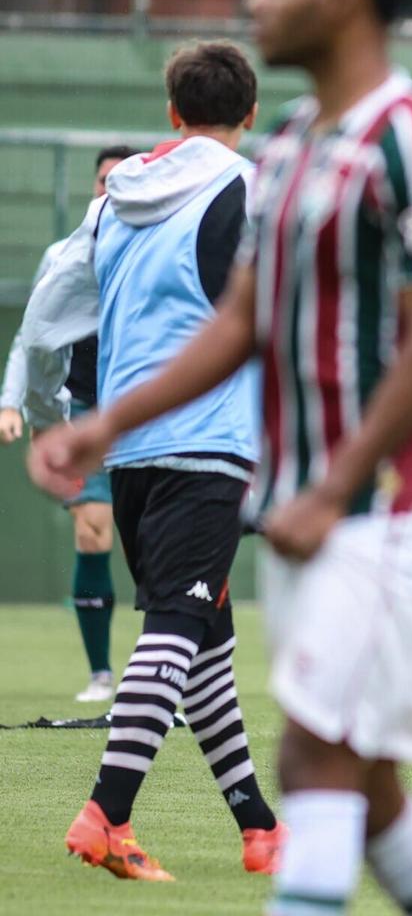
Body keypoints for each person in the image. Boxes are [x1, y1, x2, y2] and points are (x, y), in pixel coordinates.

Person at [33, 0, 412, 914]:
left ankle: (149, 821)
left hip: (394, 499)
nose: (257, 1)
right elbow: (240, 321)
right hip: (300, 497)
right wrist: (102, 424)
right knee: (362, 790)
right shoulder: (284, 146)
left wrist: (332, 486)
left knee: (316, 758)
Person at [23, 43, 280, 880]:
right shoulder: (251, 189)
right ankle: (107, 812)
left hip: (130, 451)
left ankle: (260, 829)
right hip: (211, 441)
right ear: (250, 113)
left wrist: (39, 401)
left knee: (206, 640)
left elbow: (51, 302)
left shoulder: (111, 201)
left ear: (172, 111)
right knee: (177, 625)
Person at [5, 143, 131, 704]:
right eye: (104, 180)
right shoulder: (64, 253)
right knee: (92, 529)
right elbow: (34, 332)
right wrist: (16, 403)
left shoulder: (160, 246)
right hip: (83, 412)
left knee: (157, 542)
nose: (111, 189)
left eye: (122, 180)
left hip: (147, 409)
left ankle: (170, 674)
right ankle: (101, 672)